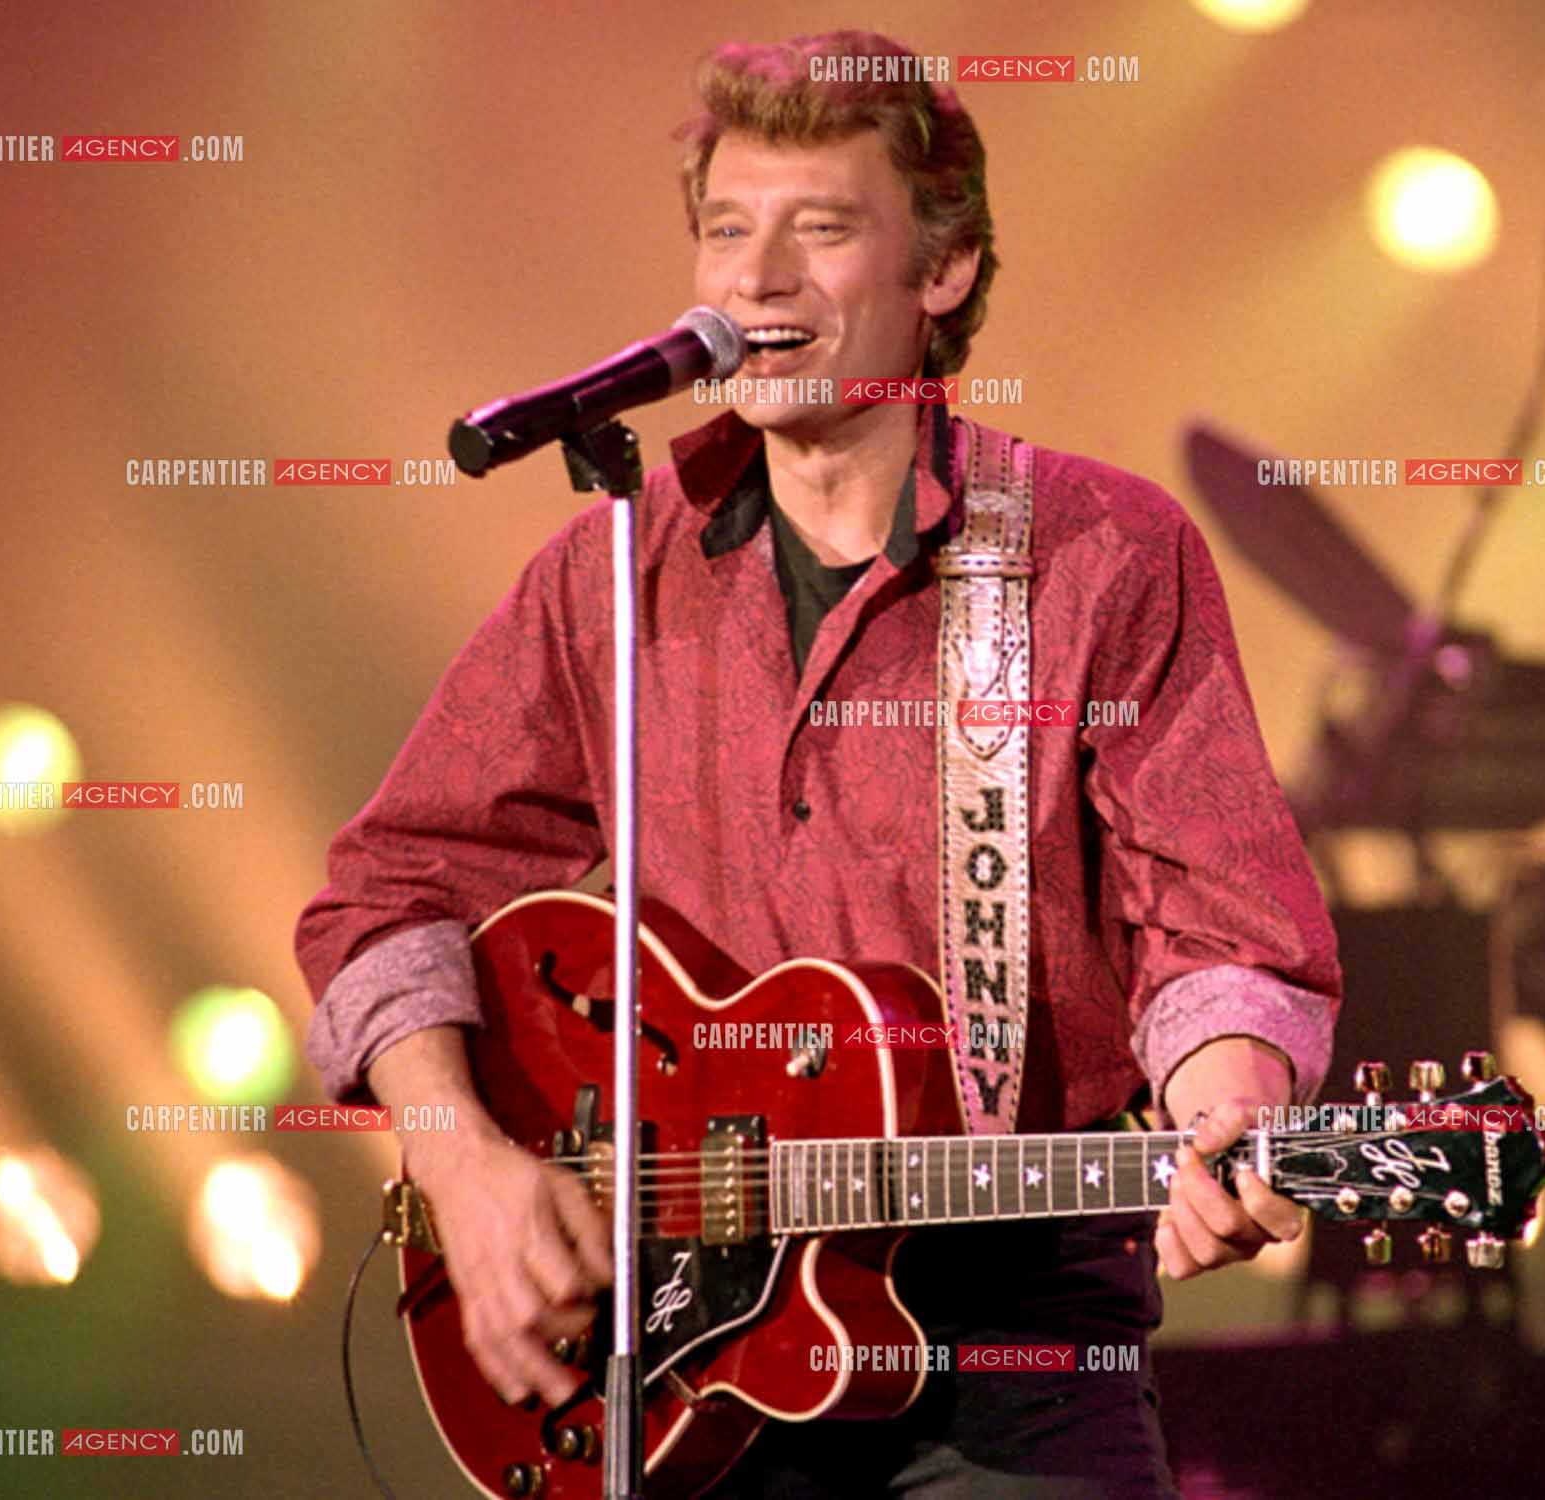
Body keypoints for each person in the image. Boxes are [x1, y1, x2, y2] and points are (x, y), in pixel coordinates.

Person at [293, 29, 1341, 1498]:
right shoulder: (613, 562)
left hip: (1010, 1337)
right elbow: (386, 889)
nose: (756, 279)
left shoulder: (1097, 555)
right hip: (666, 1354)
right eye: (727, 230)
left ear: (943, 272)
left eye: (821, 229)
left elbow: (1222, 933)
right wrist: (459, 1157)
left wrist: (1229, 1109)